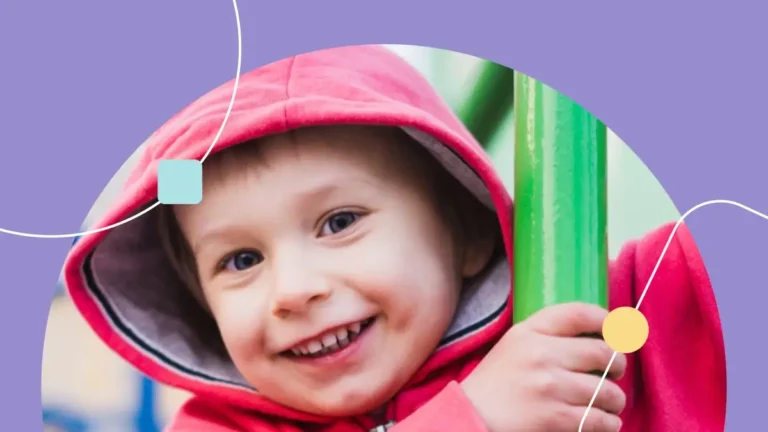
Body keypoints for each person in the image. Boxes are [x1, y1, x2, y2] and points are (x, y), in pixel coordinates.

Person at [62, 45, 726, 431]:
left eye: (339, 222)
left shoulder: (597, 317)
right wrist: (474, 419)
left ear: (465, 230)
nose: (293, 290)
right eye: (241, 260)